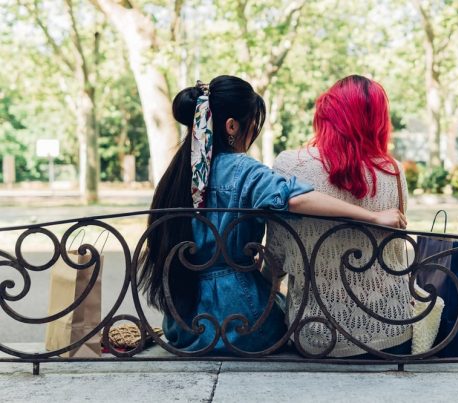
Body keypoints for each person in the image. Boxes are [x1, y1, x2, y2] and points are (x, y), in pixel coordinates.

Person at [137, 75, 406, 354]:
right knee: (278, 308)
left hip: (183, 324)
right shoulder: (243, 169)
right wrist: (371, 216)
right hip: (240, 323)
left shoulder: (176, 173)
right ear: (232, 126)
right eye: (254, 125)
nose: (253, 135)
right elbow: (297, 199)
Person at [269, 75, 415, 357]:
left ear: (326, 114)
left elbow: (276, 253)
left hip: (316, 336)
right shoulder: (393, 171)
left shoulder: (290, 164)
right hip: (393, 331)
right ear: (379, 121)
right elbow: (396, 255)